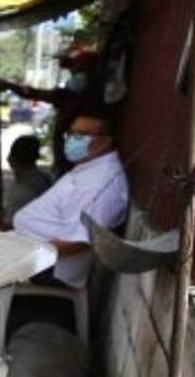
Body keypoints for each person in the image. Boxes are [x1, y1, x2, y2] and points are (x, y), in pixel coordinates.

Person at [11, 109, 129, 288]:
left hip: (51, 268)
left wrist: (29, 255)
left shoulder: (100, 183)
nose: (72, 140)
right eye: (72, 133)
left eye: (81, 135)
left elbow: (78, 242)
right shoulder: (91, 167)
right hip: (32, 250)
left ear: (106, 140)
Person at [0, 45, 101, 176]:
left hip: (80, 166)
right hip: (70, 163)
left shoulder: (92, 98)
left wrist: (8, 85)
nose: (74, 76)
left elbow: (32, 93)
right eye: (73, 72)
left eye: (78, 71)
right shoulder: (68, 95)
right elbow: (32, 93)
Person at [0, 134, 52, 230]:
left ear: (12, 159)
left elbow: (9, 227)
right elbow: (8, 211)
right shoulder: (42, 177)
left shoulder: (24, 189)